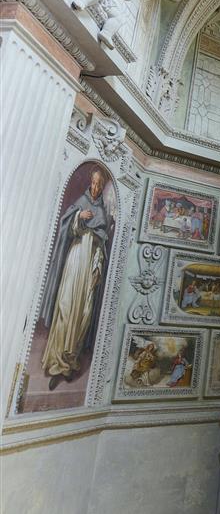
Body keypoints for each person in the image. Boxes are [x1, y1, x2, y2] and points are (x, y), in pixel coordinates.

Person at [40, 167, 113, 390]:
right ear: (90, 182)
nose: (96, 187)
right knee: (66, 305)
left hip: (90, 261)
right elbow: (67, 226)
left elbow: (101, 243)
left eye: (100, 184)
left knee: (84, 311)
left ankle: (70, 361)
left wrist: (98, 267)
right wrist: (78, 217)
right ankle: (56, 361)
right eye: (94, 182)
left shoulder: (102, 211)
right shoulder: (81, 202)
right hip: (76, 258)